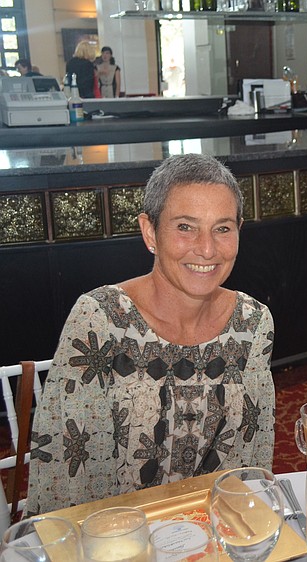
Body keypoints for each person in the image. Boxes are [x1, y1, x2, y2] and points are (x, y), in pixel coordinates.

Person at [26, 154, 276, 515]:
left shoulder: (253, 324)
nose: (207, 249)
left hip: (215, 533)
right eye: (185, 227)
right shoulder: (102, 320)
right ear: (149, 232)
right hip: (118, 538)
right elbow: (69, 478)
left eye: (222, 228)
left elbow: (250, 466)